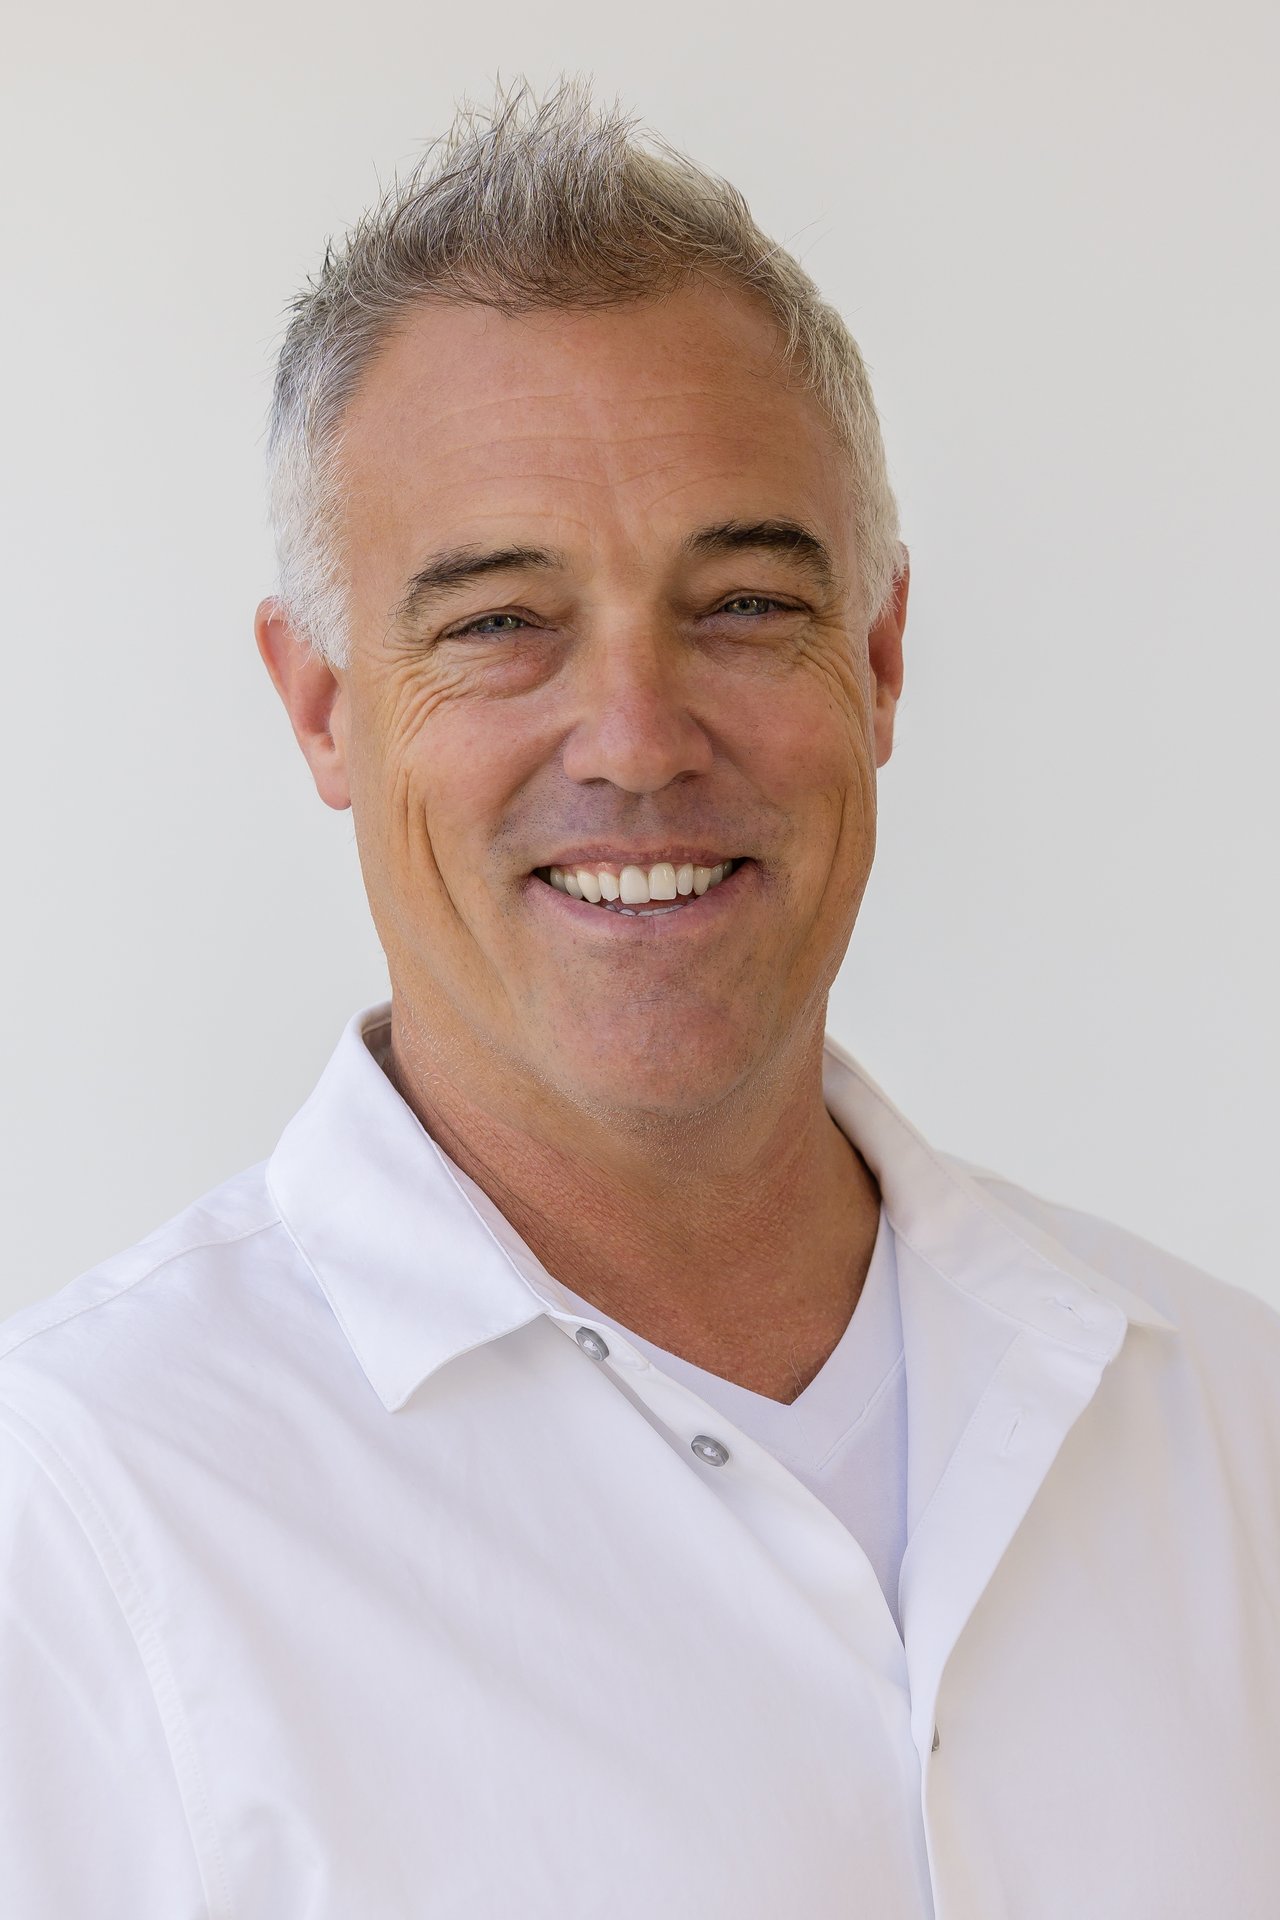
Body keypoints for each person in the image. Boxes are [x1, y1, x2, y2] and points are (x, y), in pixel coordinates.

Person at [1, 78, 1276, 1920]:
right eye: (498, 623)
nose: (635, 739)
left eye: (744, 603)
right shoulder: (76, 1534)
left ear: (881, 660)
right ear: (323, 708)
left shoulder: (1229, 1423)